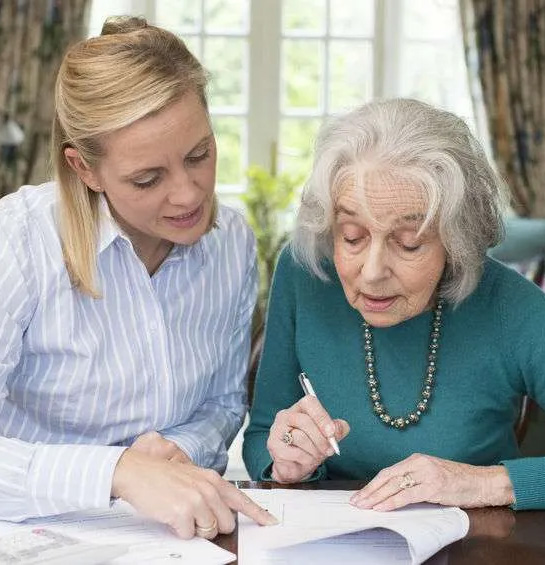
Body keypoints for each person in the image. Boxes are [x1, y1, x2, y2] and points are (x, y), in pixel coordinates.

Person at [0, 16, 278, 537]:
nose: (189, 194)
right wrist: (118, 471)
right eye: (147, 178)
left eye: (200, 155)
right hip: (29, 534)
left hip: (173, 535)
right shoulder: (16, 243)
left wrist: (181, 450)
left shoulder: (231, 245)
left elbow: (222, 403)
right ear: (83, 168)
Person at [243, 98, 545, 511]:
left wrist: (487, 484)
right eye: (352, 236)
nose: (371, 272)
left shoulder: (512, 306)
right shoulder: (306, 273)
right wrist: (285, 464)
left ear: (458, 242)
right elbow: (262, 435)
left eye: (409, 244)